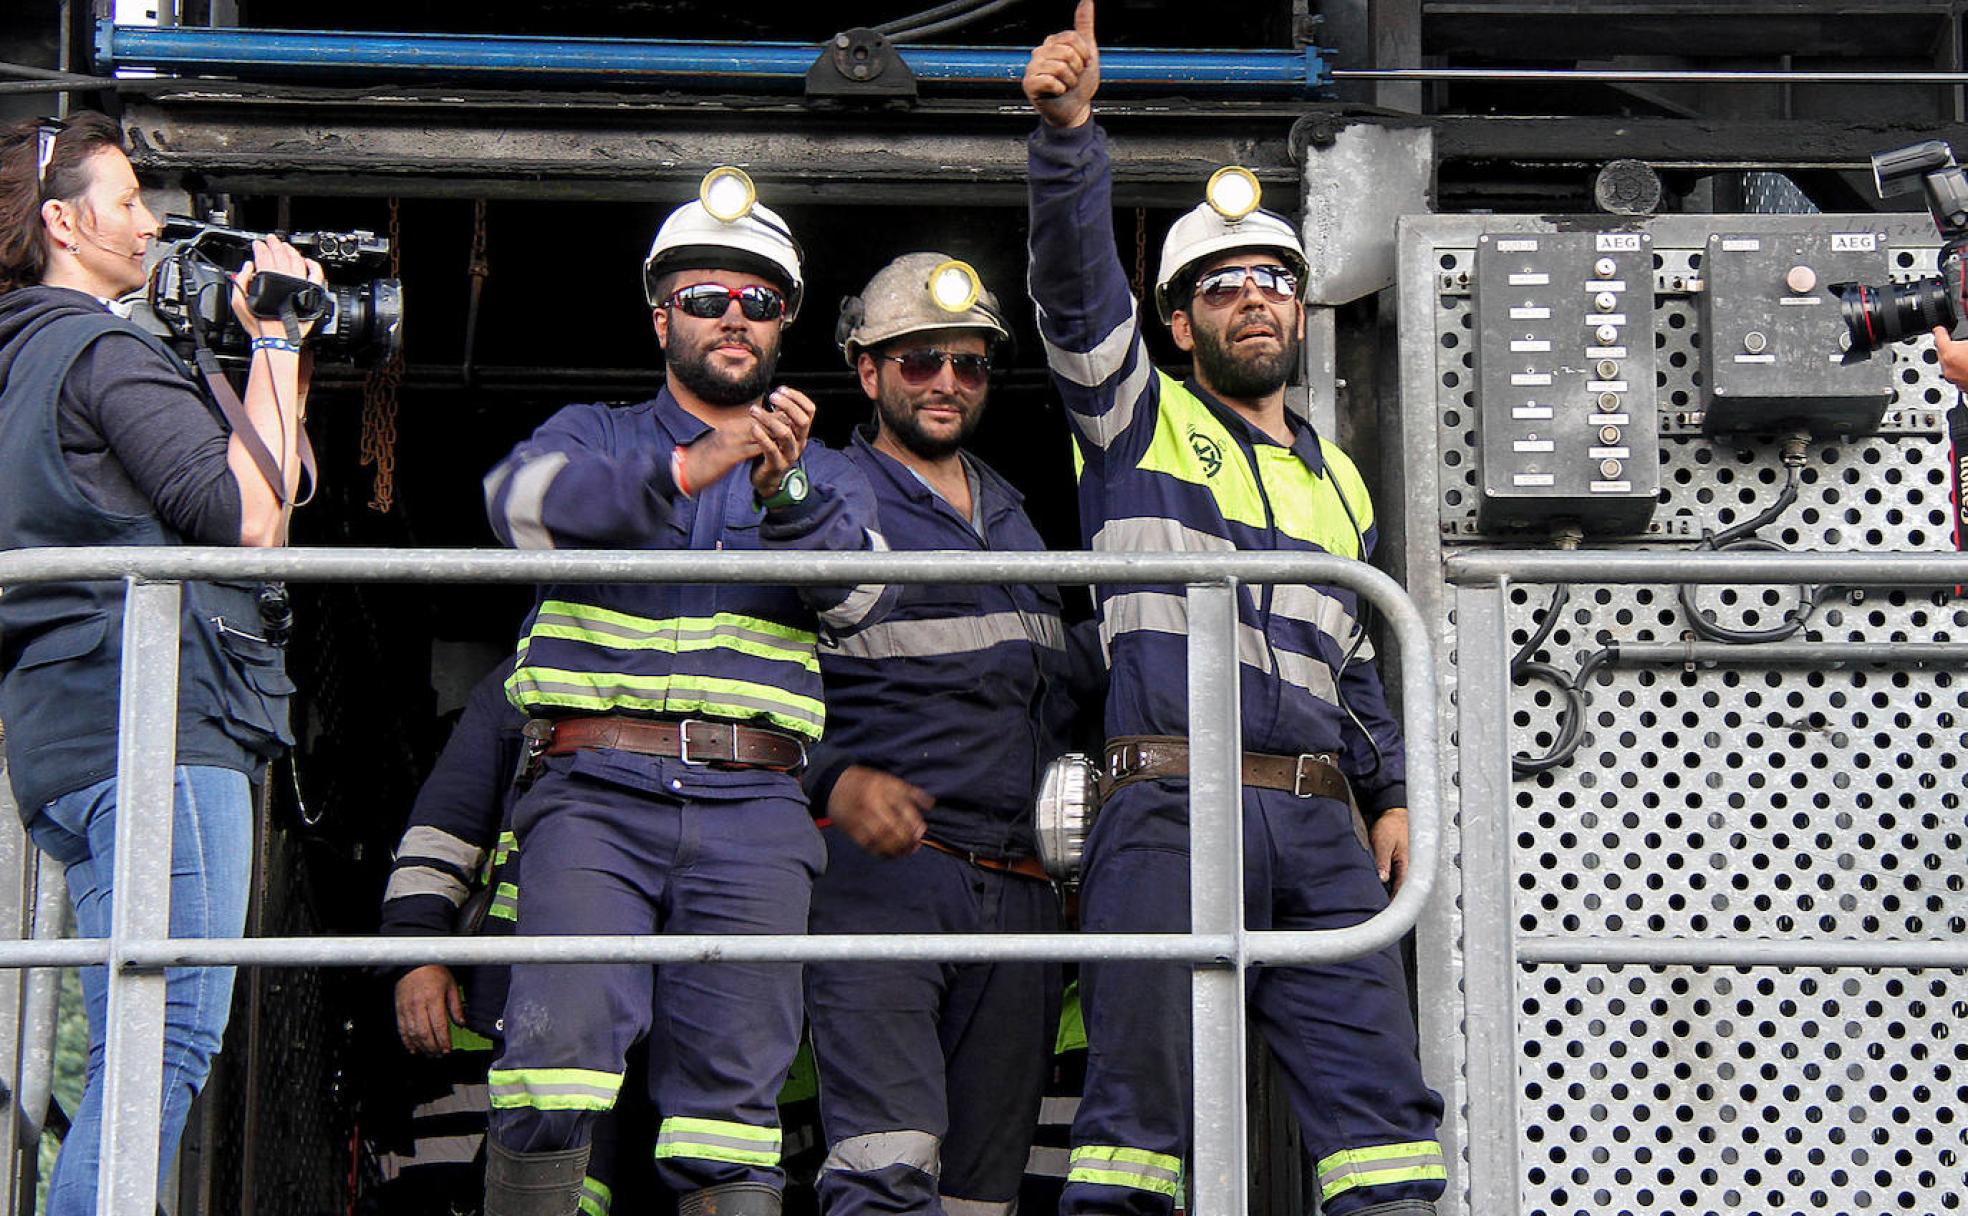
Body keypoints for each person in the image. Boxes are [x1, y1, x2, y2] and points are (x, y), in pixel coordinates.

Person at [1021, 8, 1448, 1216]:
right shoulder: (1132, 419)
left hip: (1318, 822)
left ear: (1301, 311)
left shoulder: (1339, 477)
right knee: (1137, 1127)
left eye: (1272, 280)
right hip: (1169, 801)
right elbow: (1071, 290)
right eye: (1219, 286)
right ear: (1177, 320)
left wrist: (1394, 793)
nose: (1251, 300)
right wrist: (1069, 140)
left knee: (1383, 1122)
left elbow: (1358, 668)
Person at [479, 173, 896, 1216]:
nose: (734, 318)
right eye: (707, 297)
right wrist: (682, 468)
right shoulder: (595, 433)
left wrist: (785, 494)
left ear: (785, 322)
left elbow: (863, 599)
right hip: (591, 794)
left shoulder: (829, 473)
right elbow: (514, 507)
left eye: (759, 302)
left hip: (755, 812)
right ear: (661, 312)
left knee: (731, 1116)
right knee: (553, 1070)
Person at [0, 113, 322, 1214]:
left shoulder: (21, 356)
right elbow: (248, 521)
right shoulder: (102, 348)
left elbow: (273, 484)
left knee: (140, 1024)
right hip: (158, 730)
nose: (148, 223)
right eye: (129, 200)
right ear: (61, 219)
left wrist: (281, 351)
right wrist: (273, 342)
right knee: (167, 1029)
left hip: (68, 729)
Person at [801, 253, 1079, 1216]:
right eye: (919, 361)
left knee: (979, 1194)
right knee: (887, 1167)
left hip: (1022, 888)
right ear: (865, 369)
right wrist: (830, 779)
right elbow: (748, 677)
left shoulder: (1013, 510)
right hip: (890, 879)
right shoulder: (821, 498)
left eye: (968, 363)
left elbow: (1059, 680)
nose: (948, 382)